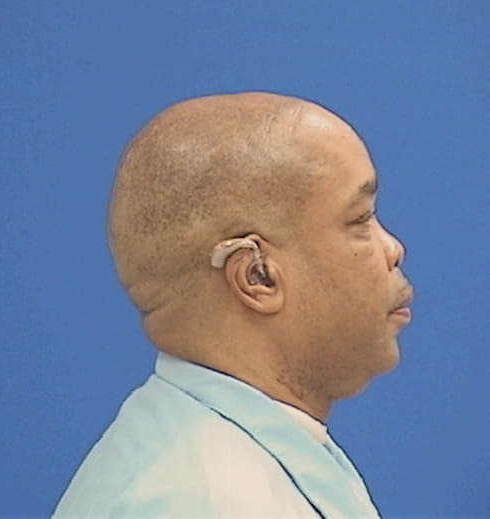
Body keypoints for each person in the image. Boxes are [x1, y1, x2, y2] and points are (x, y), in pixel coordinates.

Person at [53, 92, 414, 518]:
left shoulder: (212, 456)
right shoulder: (200, 502)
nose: (393, 248)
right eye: (360, 220)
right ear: (257, 277)